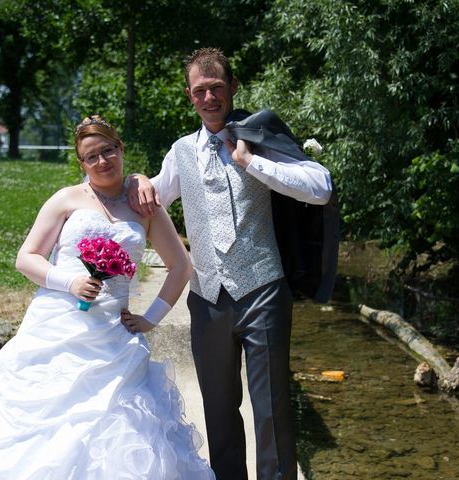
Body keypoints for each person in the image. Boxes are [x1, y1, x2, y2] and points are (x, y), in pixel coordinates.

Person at [0, 115, 215, 479]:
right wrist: (69, 283)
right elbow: (26, 257)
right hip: (57, 326)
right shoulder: (66, 199)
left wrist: (150, 319)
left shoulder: (144, 206)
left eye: (108, 150)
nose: (102, 161)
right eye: (91, 156)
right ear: (81, 163)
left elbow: (181, 267)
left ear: (120, 149)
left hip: (114, 338)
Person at [128, 48, 333, 479]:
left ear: (233, 87)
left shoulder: (258, 137)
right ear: (189, 95)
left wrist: (250, 161)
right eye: (200, 91)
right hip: (207, 299)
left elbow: (320, 187)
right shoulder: (181, 150)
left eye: (216, 88)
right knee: (219, 409)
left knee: (272, 409)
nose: (209, 97)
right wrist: (136, 182)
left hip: (263, 291)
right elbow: (153, 200)